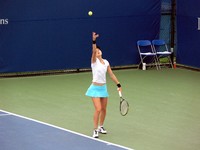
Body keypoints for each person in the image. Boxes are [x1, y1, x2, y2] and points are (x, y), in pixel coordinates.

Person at [85, 32, 122, 138]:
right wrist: (94, 40)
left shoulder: (106, 62)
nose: (97, 52)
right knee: (98, 109)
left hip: (103, 88)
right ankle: (95, 130)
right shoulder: (93, 62)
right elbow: (93, 50)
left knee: (104, 109)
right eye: (95, 51)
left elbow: (111, 74)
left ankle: (101, 126)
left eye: (98, 50)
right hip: (95, 89)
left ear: (101, 52)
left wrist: (118, 84)